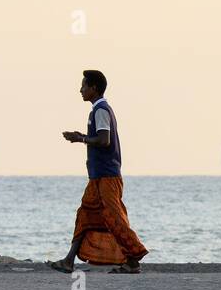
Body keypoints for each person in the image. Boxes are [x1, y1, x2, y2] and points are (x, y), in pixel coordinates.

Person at [49, 70, 149, 274]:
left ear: (94, 88)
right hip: (98, 177)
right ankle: (68, 261)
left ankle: (133, 258)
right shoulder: (98, 110)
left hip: (107, 176)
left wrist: (80, 139)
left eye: (84, 86)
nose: (80, 90)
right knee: (85, 215)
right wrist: (82, 136)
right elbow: (100, 138)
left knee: (115, 218)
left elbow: (104, 140)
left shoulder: (101, 110)